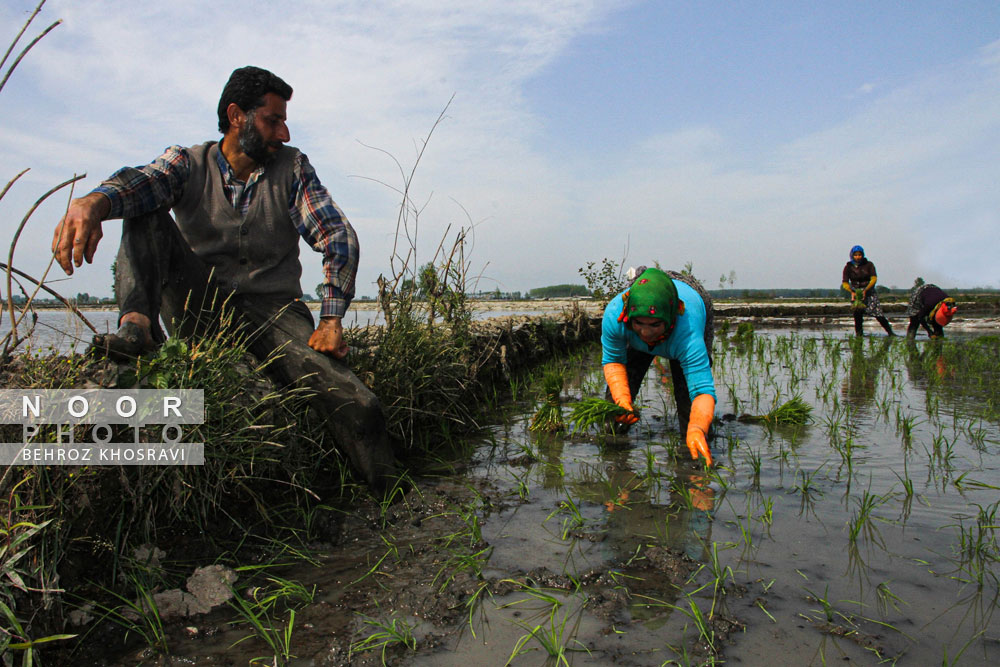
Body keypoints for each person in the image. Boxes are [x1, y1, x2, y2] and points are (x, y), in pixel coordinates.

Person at [50, 66, 397, 488]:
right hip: (202, 308)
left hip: (275, 313)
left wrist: (330, 320)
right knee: (145, 213)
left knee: (359, 403)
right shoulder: (187, 162)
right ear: (237, 116)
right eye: (273, 120)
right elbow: (144, 182)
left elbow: (337, 237)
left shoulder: (293, 167)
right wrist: (93, 203)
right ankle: (136, 328)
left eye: (284, 121)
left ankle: (390, 500)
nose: (284, 133)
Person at [601, 266, 716, 466]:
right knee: (614, 412)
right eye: (640, 323)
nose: (645, 333)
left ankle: (696, 455)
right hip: (635, 333)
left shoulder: (687, 331)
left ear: (670, 319)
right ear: (629, 316)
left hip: (691, 307)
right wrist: (622, 399)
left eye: (654, 325)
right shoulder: (616, 316)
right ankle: (615, 459)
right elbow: (614, 361)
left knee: (691, 415)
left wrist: (697, 428)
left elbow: (702, 391)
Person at [841, 245, 894, 336]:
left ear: (863, 255)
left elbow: (874, 279)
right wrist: (852, 292)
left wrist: (866, 290)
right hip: (856, 294)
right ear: (852, 256)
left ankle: (890, 333)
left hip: (869, 292)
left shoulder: (869, 265)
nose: (858, 257)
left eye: (860, 255)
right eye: (856, 255)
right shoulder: (848, 267)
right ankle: (859, 335)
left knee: (878, 314)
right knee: (857, 316)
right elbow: (845, 283)